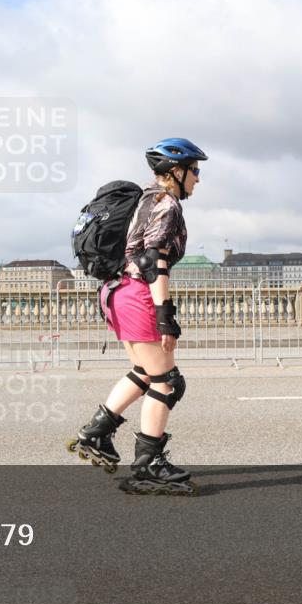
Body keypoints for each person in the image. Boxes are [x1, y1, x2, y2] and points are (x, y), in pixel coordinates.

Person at [67, 138, 206, 496]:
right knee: (168, 382)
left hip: (115, 292)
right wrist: (165, 314)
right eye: (194, 170)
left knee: (145, 372)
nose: (198, 178)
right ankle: (148, 465)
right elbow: (152, 260)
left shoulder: (146, 199)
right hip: (137, 294)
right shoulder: (166, 204)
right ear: (175, 171)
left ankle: (96, 433)